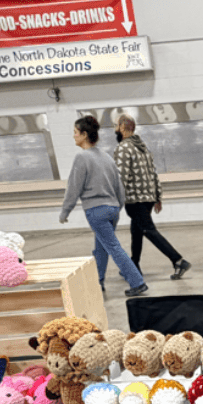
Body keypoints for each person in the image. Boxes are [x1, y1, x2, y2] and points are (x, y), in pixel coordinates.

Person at [60, 116, 148, 297]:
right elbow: (119, 186)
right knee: (101, 247)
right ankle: (98, 282)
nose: (73, 136)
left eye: (76, 132)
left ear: (84, 135)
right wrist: (116, 206)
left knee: (113, 247)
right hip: (112, 209)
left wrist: (65, 211)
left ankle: (137, 282)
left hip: (96, 210)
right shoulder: (106, 156)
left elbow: (73, 188)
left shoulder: (82, 157)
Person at [113, 115, 192, 280]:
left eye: (116, 125)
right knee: (136, 231)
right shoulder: (142, 147)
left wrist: (115, 198)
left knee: (148, 230)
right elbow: (153, 173)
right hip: (148, 197)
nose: (114, 128)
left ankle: (178, 260)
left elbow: (121, 176)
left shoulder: (123, 147)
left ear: (122, 127)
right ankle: (133, 266)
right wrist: (157, 196)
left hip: (135, 199)